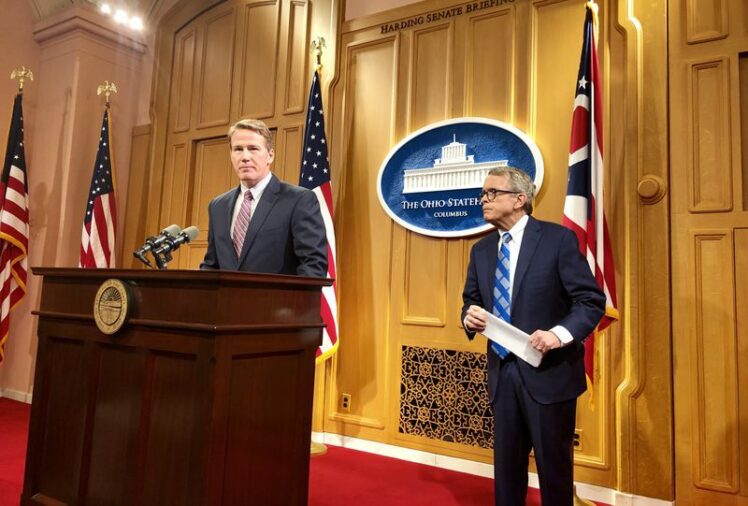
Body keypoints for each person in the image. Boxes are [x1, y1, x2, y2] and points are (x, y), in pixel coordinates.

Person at [461, 167, 605, 506]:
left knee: (554, 471)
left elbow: (590, 302)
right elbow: (472, 301)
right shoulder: (481, 250)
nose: (484, 199)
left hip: (549, 373)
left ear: (519, 199)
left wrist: (558, 334)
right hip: (503, 373)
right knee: (507, 469)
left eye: (492, 193)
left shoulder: (558, 240)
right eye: (482, 193)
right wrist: (469, 318)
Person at [200, 118, 327, 277]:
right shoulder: (217, 206)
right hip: (226, 301)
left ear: (270, 155)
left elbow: (313, 265)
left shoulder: (299, 200)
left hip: (279, 301)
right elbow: (212, 265)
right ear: (231, 154)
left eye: (253, 148)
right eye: (238, 149)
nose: (245, 157)